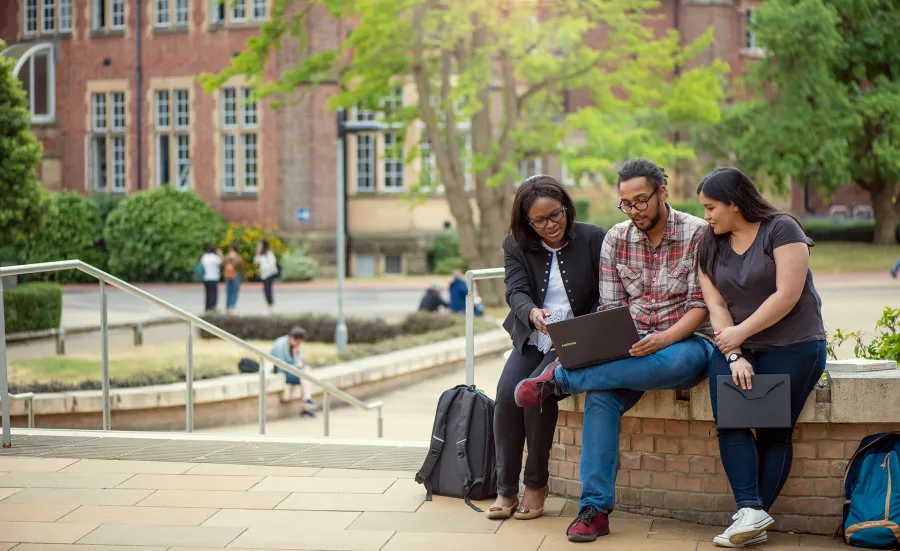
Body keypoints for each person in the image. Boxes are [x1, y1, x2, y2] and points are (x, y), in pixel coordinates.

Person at [513, 159, 715, 542]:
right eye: (626, 203)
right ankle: (594, 510)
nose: (635, 210)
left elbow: (700, 306)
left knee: (675, 359)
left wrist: (665, 338)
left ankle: (560, 379)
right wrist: (615, 344)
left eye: (642, 200)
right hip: (628, 350)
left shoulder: (698, 234)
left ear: (662, 191)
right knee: (601, 397)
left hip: (684, 344)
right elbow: (610, 309)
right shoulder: (617, 239)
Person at [695, 168, 826, 548]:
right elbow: (715, 303)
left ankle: (751, 518)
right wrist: (734, 351)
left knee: (775, 431)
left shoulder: (782, 229)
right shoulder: (709, 241)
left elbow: (787, 295)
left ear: (735, 203)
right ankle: (751, 511)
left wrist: (740, 332)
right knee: (731, 423)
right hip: (735, 345)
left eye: (711, 207)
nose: (707, 216)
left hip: (794, 344)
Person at [488, 175, 606, 521]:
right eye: (539, 220)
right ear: (527, 221)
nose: (550, 225)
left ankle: (536, 485)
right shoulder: (515, 244)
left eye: (555, 215)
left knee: (534, 393)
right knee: (506, 392)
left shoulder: (592, 237)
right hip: (534, 333)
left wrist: (590, 323)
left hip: (576, 336)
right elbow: (515, 291)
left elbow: (606, 291)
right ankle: (505, 489)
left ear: (566, 208)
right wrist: (532, 313)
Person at [270, 326, 316, 418]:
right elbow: (281, 366)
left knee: (306, 372)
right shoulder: (280, 345)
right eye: (298, 343)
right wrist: (295, 360)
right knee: (304, 375)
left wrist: (295, 357)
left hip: (293, 372)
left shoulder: (296, 346)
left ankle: (306, 403)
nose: (299, 346)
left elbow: (298, 363)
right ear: (292, 339)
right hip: (281, 373)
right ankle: (306, 401)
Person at [255, 239, 278, 315]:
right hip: (264, 276)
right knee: (266, 291)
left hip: (269, 275)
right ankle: (269, 307)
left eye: (260, 244)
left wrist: (262, 270)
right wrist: (257, 251)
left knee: (268, 291)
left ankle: (271, 308)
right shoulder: (261, 253)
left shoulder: (269, 253)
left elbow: (272, 264)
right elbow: (256, 261)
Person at [200, 244, 223, 313]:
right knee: (214, 294)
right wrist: (220, 254)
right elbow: (222, 263)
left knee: (208, 293)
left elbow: (201, 264)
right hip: (213, 277)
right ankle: (213, 307)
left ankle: (207, 307)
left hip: (206, 277)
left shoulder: (205, 256)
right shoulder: (215, 257)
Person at [223, 243, 245, 314]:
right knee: (232, 291)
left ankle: (229, 306)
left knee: (231, 291)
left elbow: (223, 263)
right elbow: (241, 266)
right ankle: (230, 307)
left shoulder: (229, 256)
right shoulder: (237, 257)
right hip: (234, 275)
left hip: (232, 275)